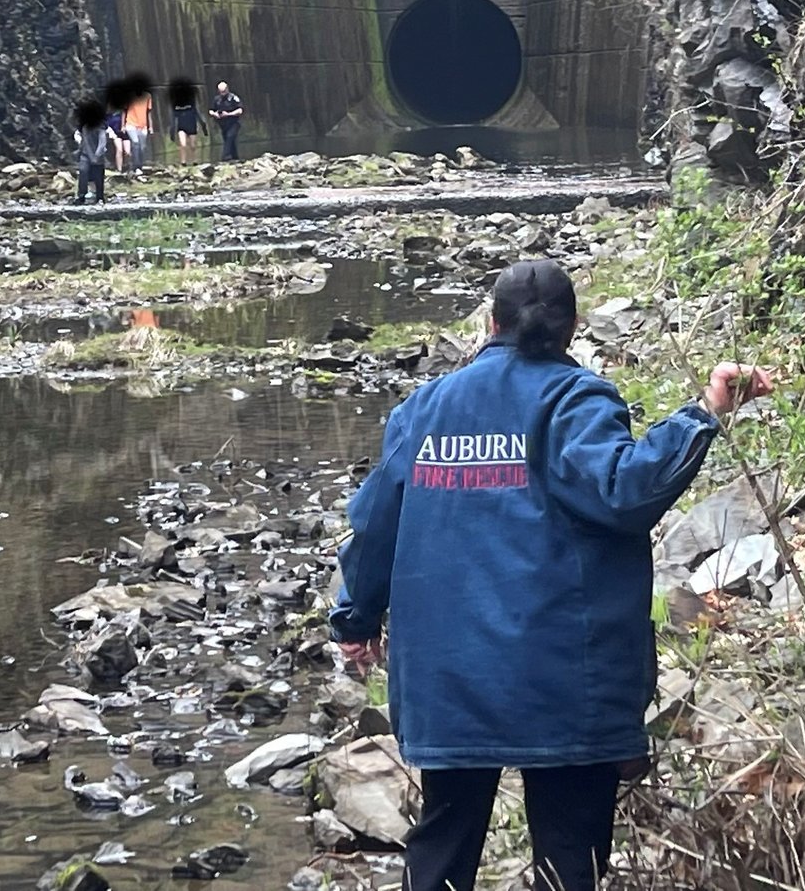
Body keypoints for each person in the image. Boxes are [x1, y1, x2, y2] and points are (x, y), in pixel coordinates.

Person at [331, 258, 773, 891]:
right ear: (571, 330)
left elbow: (376, 524)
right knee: (569, 857)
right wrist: (703, 412)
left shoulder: (424, 410)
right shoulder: (576, 399)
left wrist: (356, 618)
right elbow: (624, 489)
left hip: (451, 678)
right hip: (565, 679)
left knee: (443, 846)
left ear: (491, 323)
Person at [74, 100, 113, 205]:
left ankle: (99, 197)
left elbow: (102, 142)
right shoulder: (83, 124)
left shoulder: (100, 125)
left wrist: (97, 154)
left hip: (97, 156)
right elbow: (78, 135)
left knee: (98, 177)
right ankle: (81, 196)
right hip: (85, 154)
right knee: (83, 172)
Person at [169, 79, 203, 166]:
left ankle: (194, 160)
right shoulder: (175, 104)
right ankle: (183, 162)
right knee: (183, 144)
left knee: (193, 145)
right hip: (181, 126)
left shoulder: (191, 101)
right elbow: (173, 117)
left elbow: (197, 113)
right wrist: (172, 131)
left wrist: (203, 125)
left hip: (192, 125)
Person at [208, 80, 244, 161]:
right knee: (229, 140)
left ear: (227, 89)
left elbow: (240, 110)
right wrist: (215, 114)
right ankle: (235, 158)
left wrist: (228, 114)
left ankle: (225, 157)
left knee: (229, 137)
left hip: (233, 123)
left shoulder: (233, 98)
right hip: (223, 124)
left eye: (224, 91)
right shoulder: (217, 99)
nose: (222, 94)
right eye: (221, 92)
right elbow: (210, 110)